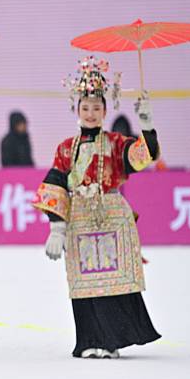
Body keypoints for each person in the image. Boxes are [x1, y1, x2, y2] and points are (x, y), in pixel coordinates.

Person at [33, 56, 161, 359]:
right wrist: (56, 226)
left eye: (96, 108)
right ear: (77, 110)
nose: (91, 113)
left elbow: (144, 156)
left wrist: (147, 125)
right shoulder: (66, 148)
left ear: (105, 110)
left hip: (111, 217)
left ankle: (113, 338)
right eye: (85, 108)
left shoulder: (117, 143)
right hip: (79, 221)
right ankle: (90, 338)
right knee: (85, 282)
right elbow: (55, 181)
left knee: (112, 281)